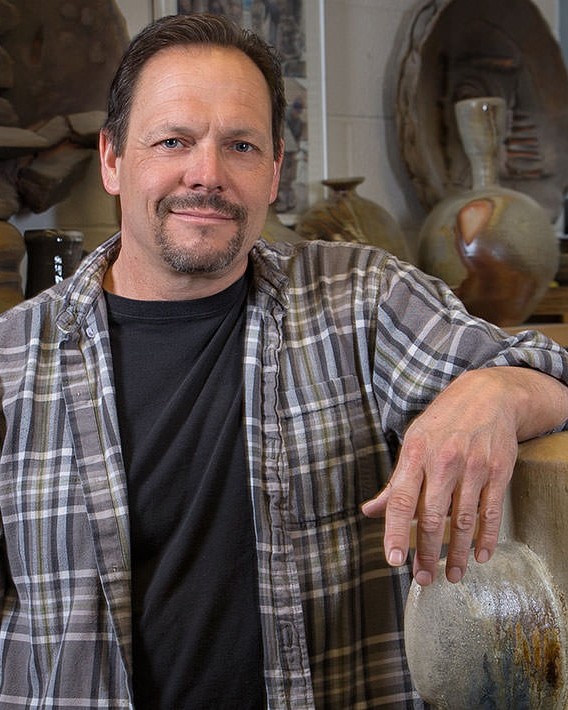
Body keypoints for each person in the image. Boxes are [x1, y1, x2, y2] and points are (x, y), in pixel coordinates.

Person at [0, 13, 566, 710]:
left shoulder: (361, 300)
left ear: (273, 172)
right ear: (113, 159)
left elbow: (551, 372)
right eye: (174, 141)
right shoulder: (12, 360)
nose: (207, 175)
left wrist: (497, 391)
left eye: (240, 145)